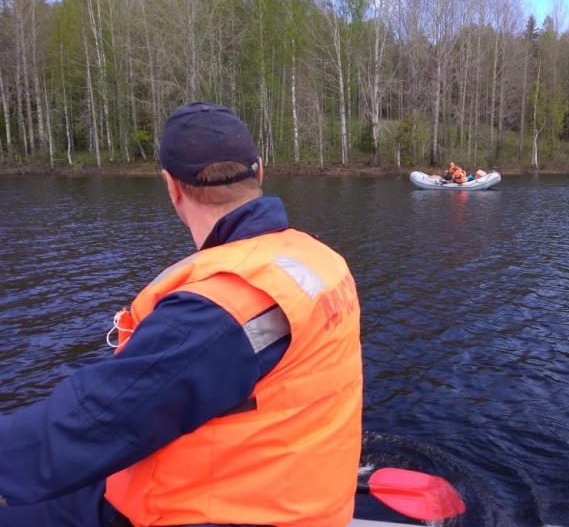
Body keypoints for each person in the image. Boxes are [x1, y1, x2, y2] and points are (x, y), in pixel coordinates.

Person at [0, 102, 363, 527]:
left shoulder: (219, 309)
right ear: (260, 171)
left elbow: (93, 423)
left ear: (171, 186)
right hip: (303, 499)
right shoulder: (318, 259)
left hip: (230, 512)